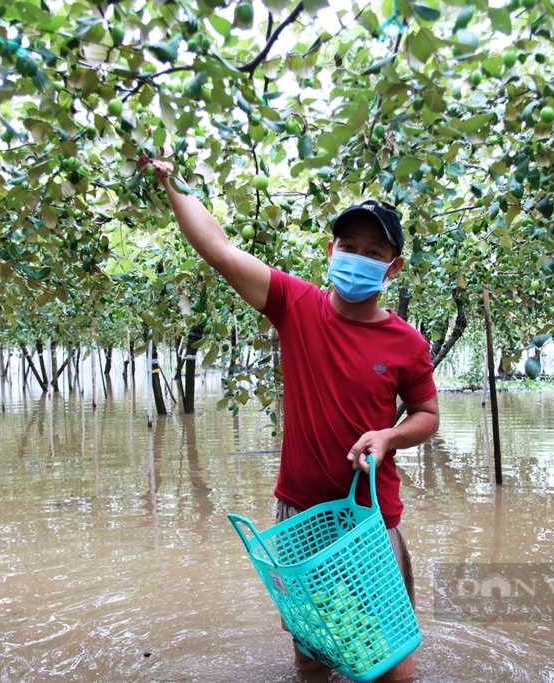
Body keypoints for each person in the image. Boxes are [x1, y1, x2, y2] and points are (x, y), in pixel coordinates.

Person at [140, 157, 439, 681]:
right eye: (349, 248)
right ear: (331, 251)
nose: (357, 259)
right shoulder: (295, 304)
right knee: (311, 654)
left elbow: (428, 415)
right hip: (299, 515)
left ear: (392, 268)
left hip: (370, 515)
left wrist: (390, 435)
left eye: (374, 253)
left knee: (395, 665)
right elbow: (220, 250)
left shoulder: (407, 344)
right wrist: (173, 183)